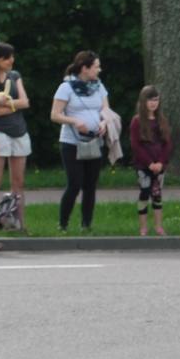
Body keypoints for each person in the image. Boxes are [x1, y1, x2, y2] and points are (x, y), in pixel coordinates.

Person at [49, 51, 115, 234]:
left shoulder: (99, 87)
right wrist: (74, 121)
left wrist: (104, 123)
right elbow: (55, 115)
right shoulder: (66, 87)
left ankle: (86, 224)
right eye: (96, 67)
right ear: (85, 68)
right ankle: (63, 224)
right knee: (75, 183)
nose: (99, 70)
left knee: (90, 185)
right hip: (72, 142)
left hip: (94, 141)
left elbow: (106, 110)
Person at [0, 39, 33, 248]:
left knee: (19, 181)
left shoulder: (15, 76)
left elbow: (25, 101)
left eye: (12, 57)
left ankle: (18, 223)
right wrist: (11, 105)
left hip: (19, 131)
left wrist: (9, 105)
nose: (11, 60)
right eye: (7, 58)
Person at [129, 85, 173, 237]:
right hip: (143, 165)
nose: (153, 103)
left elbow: (167, 144)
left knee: (157, 194)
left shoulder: (162, 120)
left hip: (159, 165)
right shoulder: (137, 121)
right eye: (150, 100)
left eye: (156, 100)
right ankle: (143, 228)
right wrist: (149, 163)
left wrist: (160, 162)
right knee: (144, 192)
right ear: (143, 101)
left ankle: (159, 226)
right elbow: (136, 145)